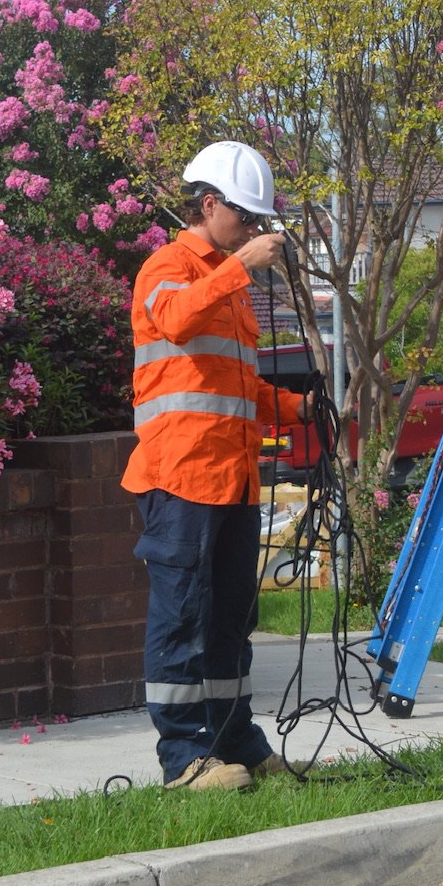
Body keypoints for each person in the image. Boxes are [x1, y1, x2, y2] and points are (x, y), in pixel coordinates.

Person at [123, 139, 321, 792]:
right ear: (210, 205)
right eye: (247, 217)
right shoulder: (169, 267)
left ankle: (234, 741)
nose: (258, 230)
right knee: (183, 613)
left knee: (232, 615)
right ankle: (184, 759)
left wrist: (296, 408)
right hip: (179, 476)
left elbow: (234, 389)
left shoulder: (224, 283)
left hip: (232, 477)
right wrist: (238, 266)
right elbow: (176, 321)